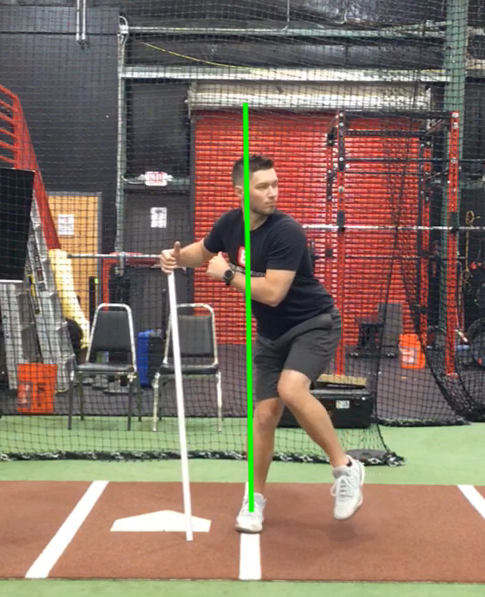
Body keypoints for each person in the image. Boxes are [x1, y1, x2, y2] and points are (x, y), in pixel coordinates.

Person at [160, 154, 365, 533]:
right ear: (241, 192)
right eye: (263, 186)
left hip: (312, 324)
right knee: (264, 416)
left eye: (275, 184)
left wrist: (227, 274)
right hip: (271, 335)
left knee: (291, 389)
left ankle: (346, 468)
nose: (273, 192)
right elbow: (200, 253)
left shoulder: (287, 232)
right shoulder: (230, 223)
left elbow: (272, 292)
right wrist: (174, 257)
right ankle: (253, 500)